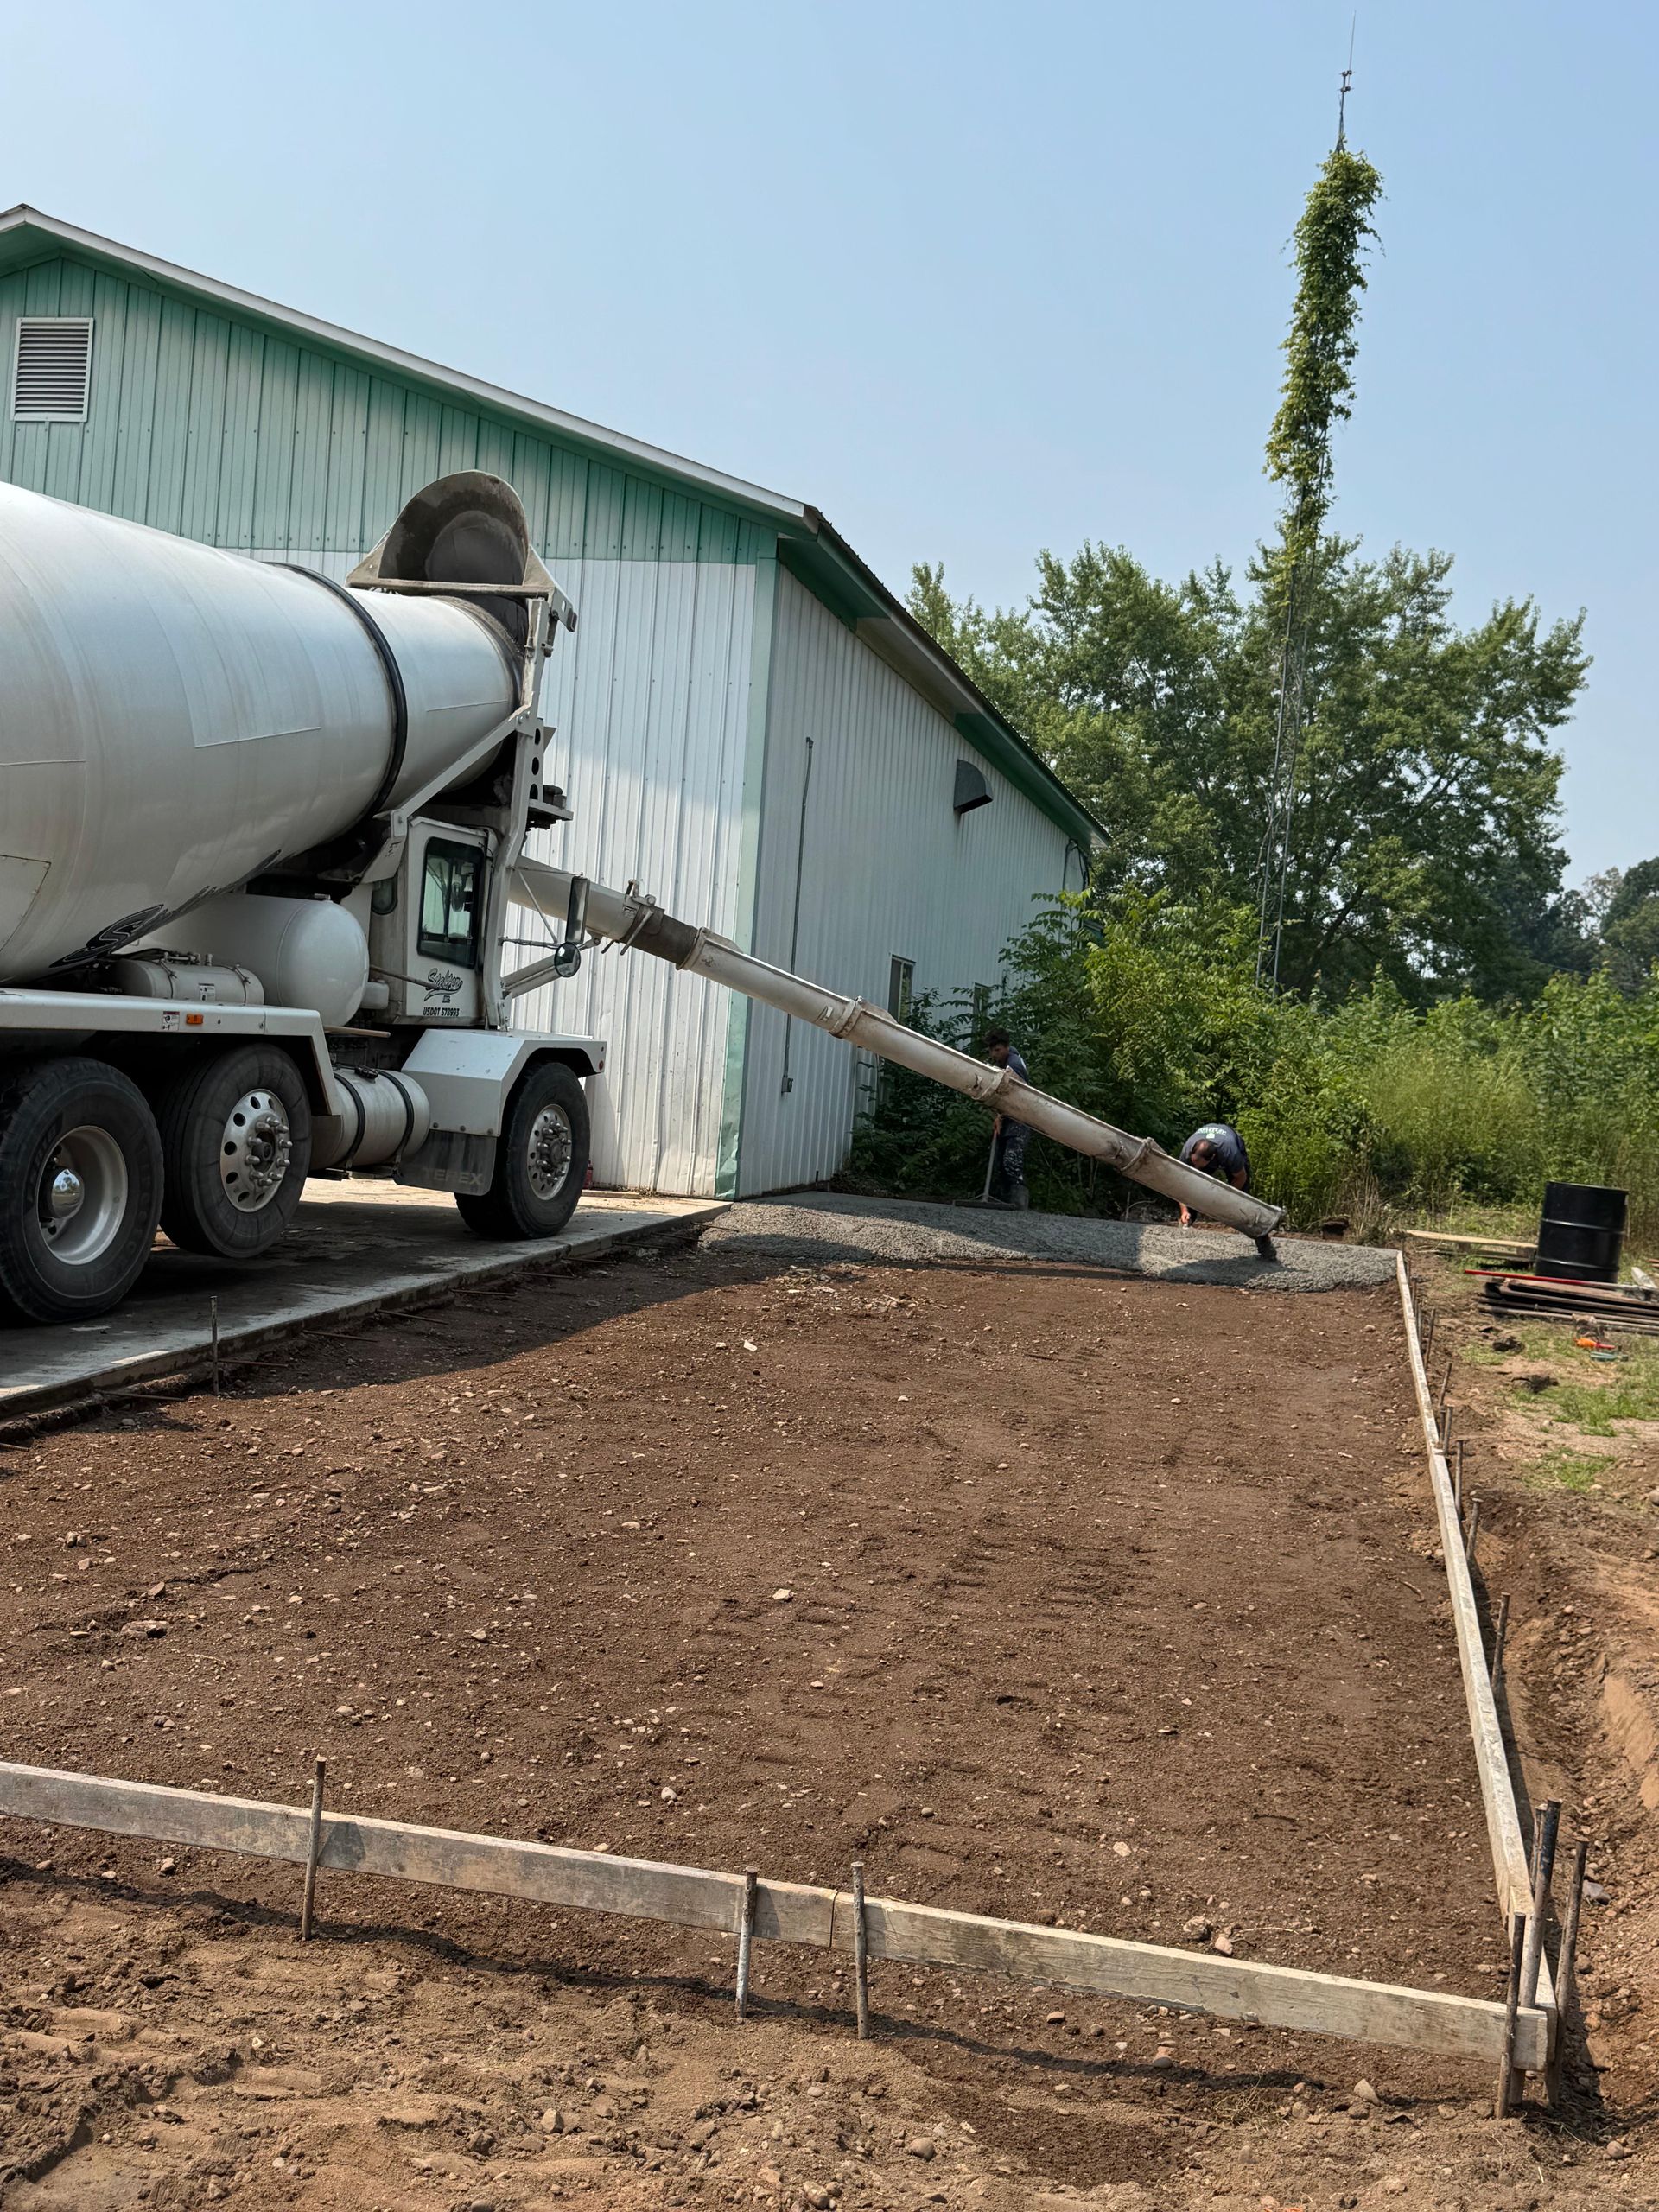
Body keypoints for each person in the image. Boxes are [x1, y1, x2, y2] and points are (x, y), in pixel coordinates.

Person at [985, 1027, 1031, 1208]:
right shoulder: (1006, 1062)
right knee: (1002, 1160)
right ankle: (1007, 1201)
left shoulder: (1014, 1066)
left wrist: (1001, 1115)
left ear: (1006, 1047)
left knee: (1012, 1161)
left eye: (997, 1050)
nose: (994, 1054)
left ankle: (1018, 1203)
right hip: (1009, 1118)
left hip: (1019, 1119)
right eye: (992, 1050)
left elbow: (1017, 1096)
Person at [1178, 1122, 1250, 1226]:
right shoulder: (1187, 1151)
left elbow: (1241, 1177)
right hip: (1209, 1151)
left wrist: (1222, 1201)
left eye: (1200, 1166)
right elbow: (1180, 1183)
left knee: (1242, 1192)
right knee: (1191, 1184)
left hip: (1230, 1143)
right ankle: (1187, 1219)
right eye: (1194, 1163)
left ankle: (1241, 1222)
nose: (1196, 1169)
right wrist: (1184, 1210)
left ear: (1212, 1158)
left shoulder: (1230, 1152)